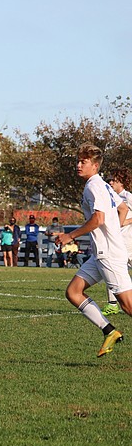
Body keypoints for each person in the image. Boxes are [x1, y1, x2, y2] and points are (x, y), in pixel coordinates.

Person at [55, 143, 130, 357]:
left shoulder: (94, 186)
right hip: (101, 254)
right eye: (78, 161)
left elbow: (98, 219)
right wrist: (114, 231)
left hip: (109, 255)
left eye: (83, 162)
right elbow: (122, 208)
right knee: (73, 292)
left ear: (95, 166)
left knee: (127, 306)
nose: (78, 165)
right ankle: (110, 331)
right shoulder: (102, 185)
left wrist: (70, 235)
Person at [101, 167, 132, 315]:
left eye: (114, 180)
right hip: (116, 243)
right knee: (111, 270)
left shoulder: (128, 197)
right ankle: (112, 304)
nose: (111, 182)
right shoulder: (110, 198)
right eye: (111, 180)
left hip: (129, 242)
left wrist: (125, 222)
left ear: (122, 183)